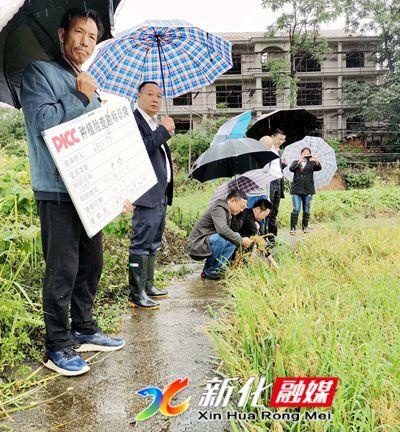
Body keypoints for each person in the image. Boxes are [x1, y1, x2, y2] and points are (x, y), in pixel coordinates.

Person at [20, 8, 125, 376]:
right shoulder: (39, 73)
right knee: (62, 268)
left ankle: (84, 328)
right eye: (79, 33)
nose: (85, 41)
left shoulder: (86, 80)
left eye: (92, 37)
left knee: (92, 263)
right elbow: (44, 124)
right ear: (63, 34)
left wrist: (117, 188)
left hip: (88, 190)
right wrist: (80, 98)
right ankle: (57, 346)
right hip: (55, 189)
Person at [128, 81, 175, 310]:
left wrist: (162, 130)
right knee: (141, 243)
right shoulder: (132, 121)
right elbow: (138, 149)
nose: (155, 99)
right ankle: (136, 294)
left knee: (153, 243)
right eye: (149, 94)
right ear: (138, 96)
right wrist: (164, 131)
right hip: (145, 194)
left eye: (159, 95)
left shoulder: (154, 122)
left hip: (160, 194)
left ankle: (148, 286)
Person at [186, 190, 253, 280]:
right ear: (232, 201)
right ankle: (209, 270)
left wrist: (241, 214)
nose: (241, 210)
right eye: (241, 206)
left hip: (207, 241)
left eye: (244, 208)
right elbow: (222, 230)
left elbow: (233, 231)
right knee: (221, 238)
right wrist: (241, 241)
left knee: (235, 236)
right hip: (196, 245)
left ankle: (217, 269)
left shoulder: (229, 212)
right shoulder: (219, 208)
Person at [233, 198, 279, 268]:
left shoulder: (250, 215)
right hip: (233, 246)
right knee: (253, 241)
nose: (263, 218)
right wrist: (272, 262)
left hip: (237, 244)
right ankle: (235, 261)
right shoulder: (248, 218)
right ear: (257, 209)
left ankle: (241, 260)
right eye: (264, 215)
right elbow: (260, 242)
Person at [287, 147, 322, 235]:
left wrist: (316, 160)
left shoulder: (312, 162)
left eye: (308, 153)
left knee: (306, 210)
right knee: (296, 209)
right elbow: (291, 169)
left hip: (308, 189)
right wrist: (299, 161)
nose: (306, 154)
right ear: (301, 154)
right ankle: (292, 227)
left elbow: (319, 168)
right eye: (304, 153)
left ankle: (305, 227)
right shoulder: (296, 162)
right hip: (296, 189)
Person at [266, 129, 287, 237]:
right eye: (280, 139)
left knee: (275, 210)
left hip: (278, 182)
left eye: (283, 139)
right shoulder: (267, 149)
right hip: (270, 181)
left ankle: (272, 236)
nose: (281, 141)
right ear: (272, 137)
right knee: (267, 210)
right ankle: (265, 236)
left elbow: (276, 168)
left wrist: (283, 165)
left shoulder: (278, 151)